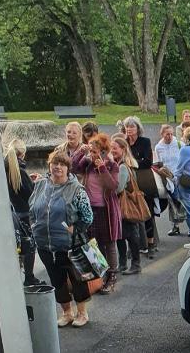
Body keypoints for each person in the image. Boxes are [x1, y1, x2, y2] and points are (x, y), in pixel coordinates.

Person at [30, 151, 94, 328]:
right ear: (49, 165)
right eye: (54, 163)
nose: (57, 167)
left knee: (77, 279)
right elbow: (32, 209)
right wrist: (34, 226)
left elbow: (88, 217)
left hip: (69, 244)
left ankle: (82, 313)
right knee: (56, 279)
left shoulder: (76, 189)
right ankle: (67, 313)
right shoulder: (40, 185)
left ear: (68, 168)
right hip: (45, 244)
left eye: (62, 164)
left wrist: (75, 229)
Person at [71, 133, 121, 294]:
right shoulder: (87, 164)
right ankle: (101, 275)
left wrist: (102, 167)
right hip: (90, 209)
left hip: (106, 210)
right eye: (91, 151)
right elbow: (73, 168)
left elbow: (113, 186)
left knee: (109, 242)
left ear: (103, 151)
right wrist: (80, 152)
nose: (92, 155)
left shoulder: (111, 165)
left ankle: (112, 275)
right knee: (94, 244)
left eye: (95, 152)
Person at [4, 139, 43, 287]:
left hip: (14, 212)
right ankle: (29, 277)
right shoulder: (20, 172)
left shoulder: (6, 168)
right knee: (30, 245)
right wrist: (37, 183)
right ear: (22, 154)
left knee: (18, 246)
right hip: (25, 213)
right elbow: (30, 194)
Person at [123, 116, 156, 257]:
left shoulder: (145, 141)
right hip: (129, 182)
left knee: (147, 212)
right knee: (131, 215)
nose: (129, 129)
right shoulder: (123, 142)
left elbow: (148, 162)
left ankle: (150, 244)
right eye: (127, 127)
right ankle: (135, 246)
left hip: (143, 180)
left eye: (132, 127)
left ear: (138, 128)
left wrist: (132, 162)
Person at [111, 136, 142, 276]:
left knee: (130, 235)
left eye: (115, 148)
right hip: (122, 206)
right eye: (111, 148)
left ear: (123, 149)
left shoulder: (123, 166)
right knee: (121, 236)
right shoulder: (120, 164)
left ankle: (135, 264)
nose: (112, 150)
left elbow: (118, 189)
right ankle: (123, 264)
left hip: (125, 206)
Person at [155, 124, 183, 236]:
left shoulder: (179, 143)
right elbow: (159, 163)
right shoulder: (158, 147)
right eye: (167, 134)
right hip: (168, 178)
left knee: (185, 200)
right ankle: (175, 226)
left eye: (171, 134)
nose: (170, 136)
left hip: (180, 176)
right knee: (172, 202)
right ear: (162, 134)